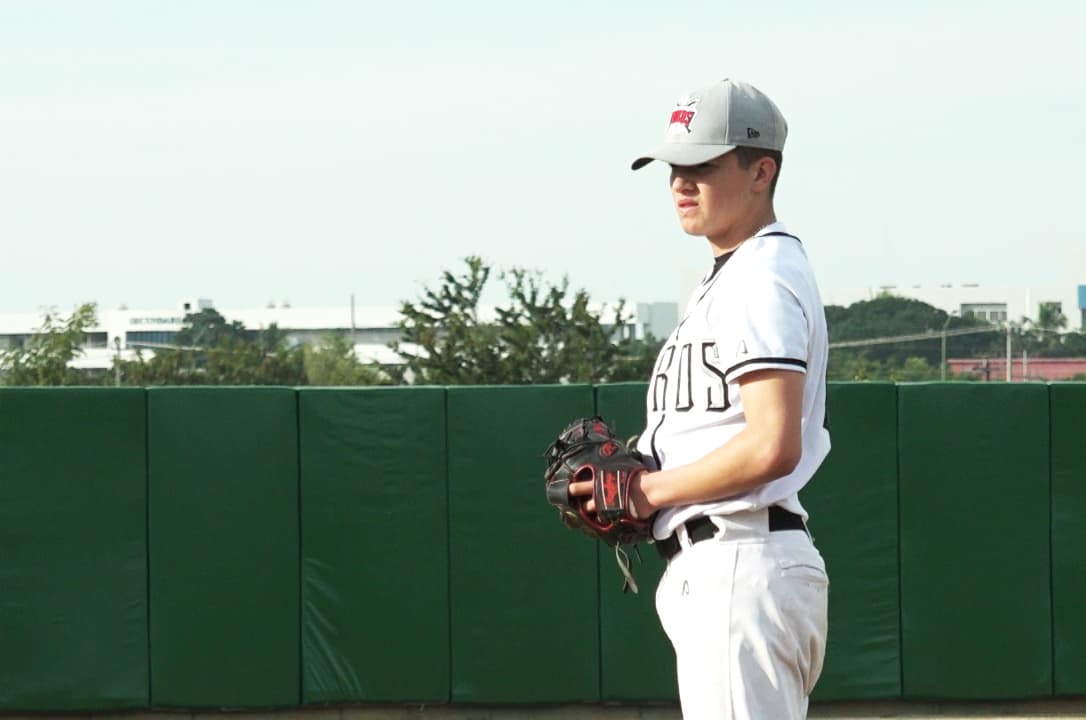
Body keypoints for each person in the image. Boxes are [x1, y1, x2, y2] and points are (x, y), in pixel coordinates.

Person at [573, 78, 831, 719]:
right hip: (730, 562)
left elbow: (773, 443)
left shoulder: (761, 277)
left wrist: (648, 492)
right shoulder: (731, 278)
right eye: (673, 168)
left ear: (760, 171)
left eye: (703, 165)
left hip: (741, 559)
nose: (681, 183)